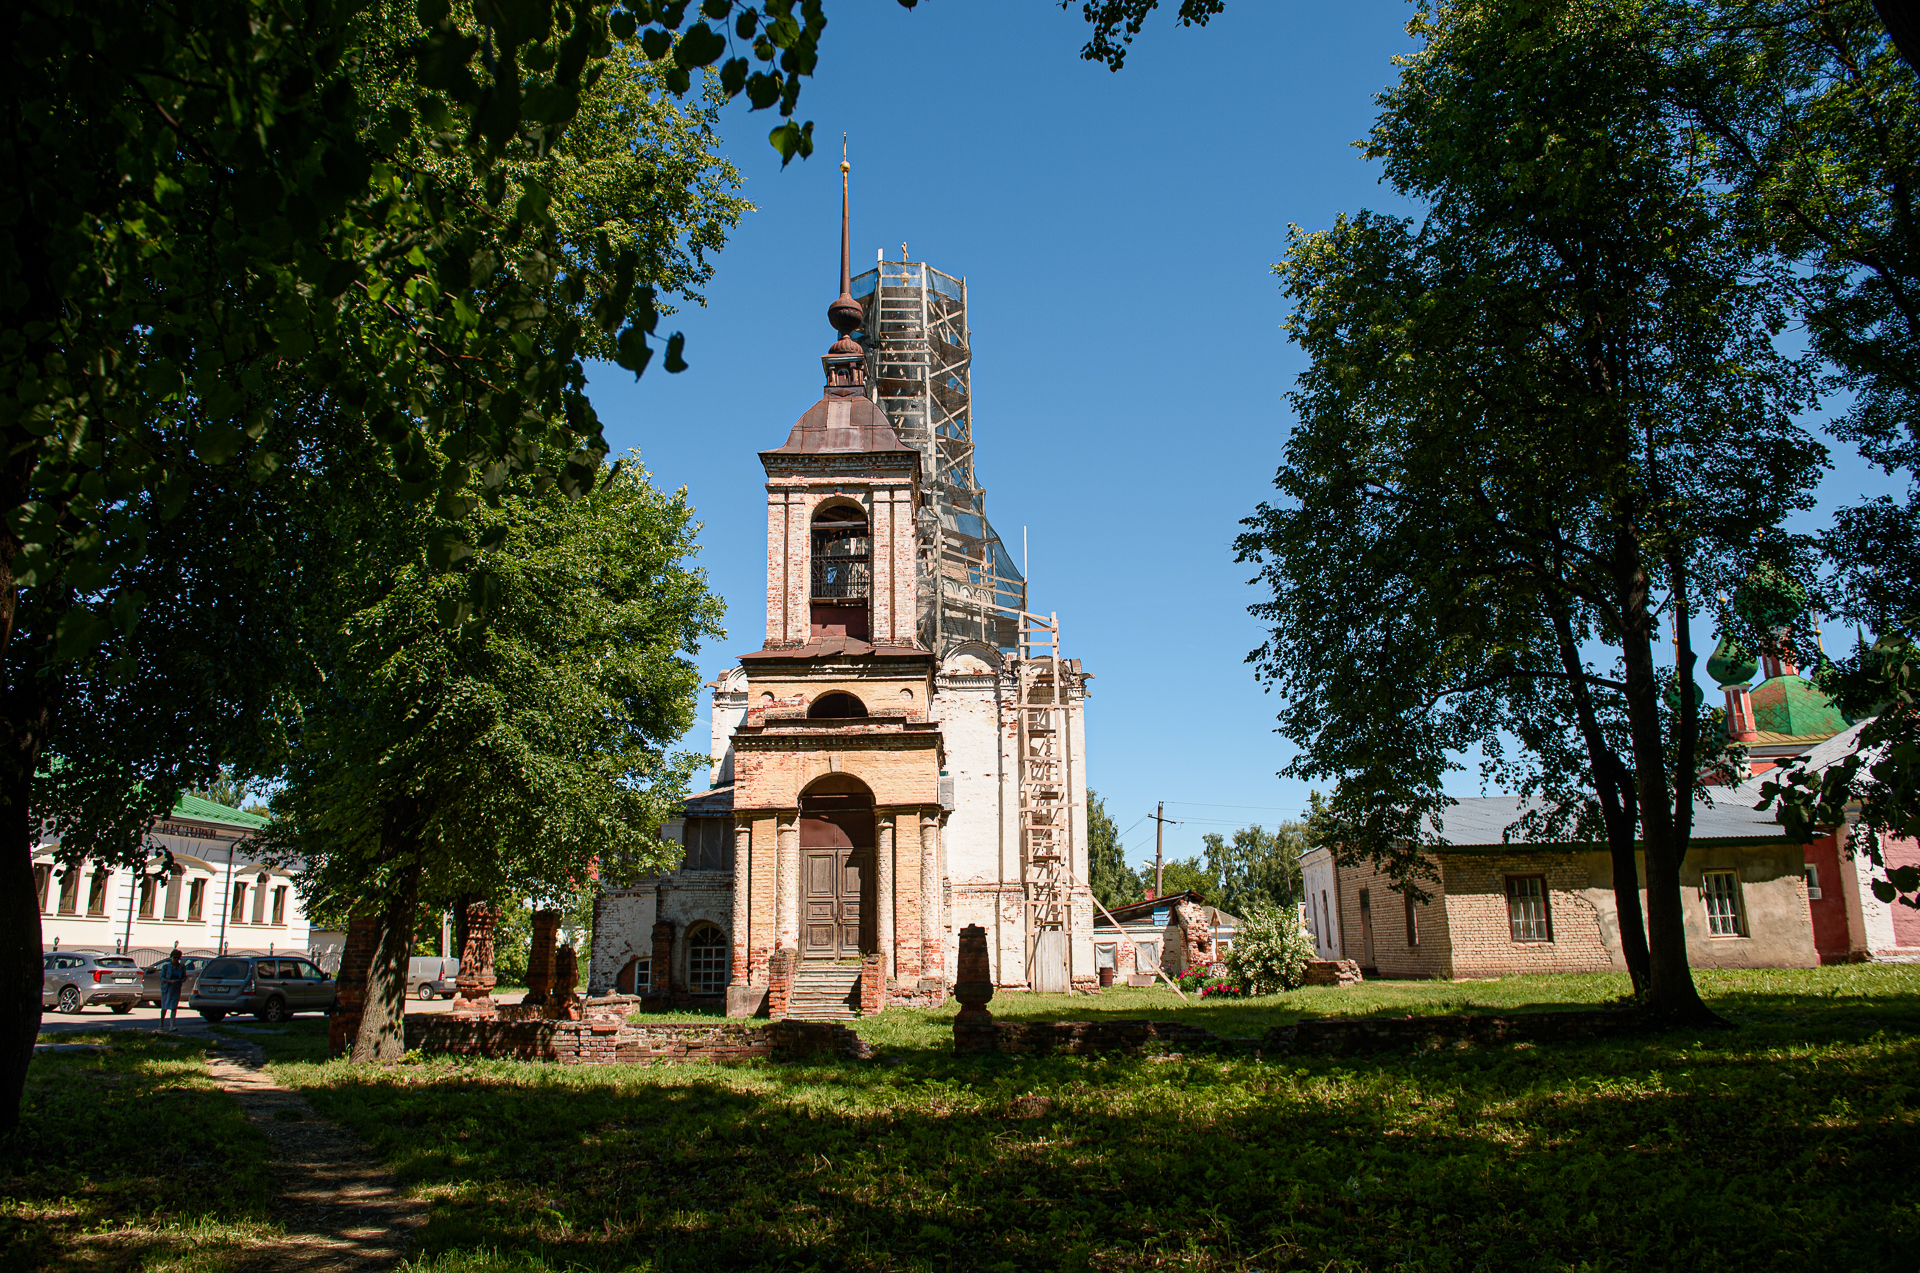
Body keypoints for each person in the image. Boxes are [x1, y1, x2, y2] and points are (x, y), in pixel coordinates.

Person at [158, 948, 186, 1030]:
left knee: (174, 1007)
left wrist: (182, 980)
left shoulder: (181, 967)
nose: (176, 960)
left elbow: (184, 976)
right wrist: (170, 981)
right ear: (171, 957)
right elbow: (161, 978)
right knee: (164, 1006)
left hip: (176, 988)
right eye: (174, 958)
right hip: (167, 988)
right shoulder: (166, 967)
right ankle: (161, 1024)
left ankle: (172, 1026)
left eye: (178, 958)